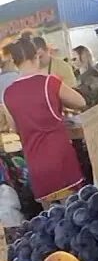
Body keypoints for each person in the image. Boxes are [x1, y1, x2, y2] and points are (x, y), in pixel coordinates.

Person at [0, 38, 87, 200]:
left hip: (36, 167)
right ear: (37, 55)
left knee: (49, 221)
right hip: (61, 161)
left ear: (15, 62)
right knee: (75, 212)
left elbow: (14, 128)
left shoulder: (8, 94)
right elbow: (81, 102)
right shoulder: (49, 82)